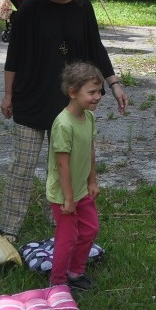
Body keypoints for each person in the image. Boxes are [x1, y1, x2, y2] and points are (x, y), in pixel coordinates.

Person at [0, 0, 128, 244]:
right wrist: (8, 94)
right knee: (23, 164)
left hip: (69, 102)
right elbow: (14, 55)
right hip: (31, 95)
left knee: (65, 166)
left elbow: (96, 48)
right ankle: (9, 228)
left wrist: (115, 84)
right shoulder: (30, 8)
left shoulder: (83, 7)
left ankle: (58, 217)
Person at [47, 62, 103, 293]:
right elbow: (62, 164)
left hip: (81, 189)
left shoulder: (88, 118)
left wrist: (92, 181)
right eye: (91, 92)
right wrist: (68, 198)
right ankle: (58, 281)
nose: (98, 97)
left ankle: (75, 272)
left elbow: (90, 149)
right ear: (73, 93)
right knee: (67, 238)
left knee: (90, 229)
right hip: (64, 194)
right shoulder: (63, 124)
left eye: (99, 91)